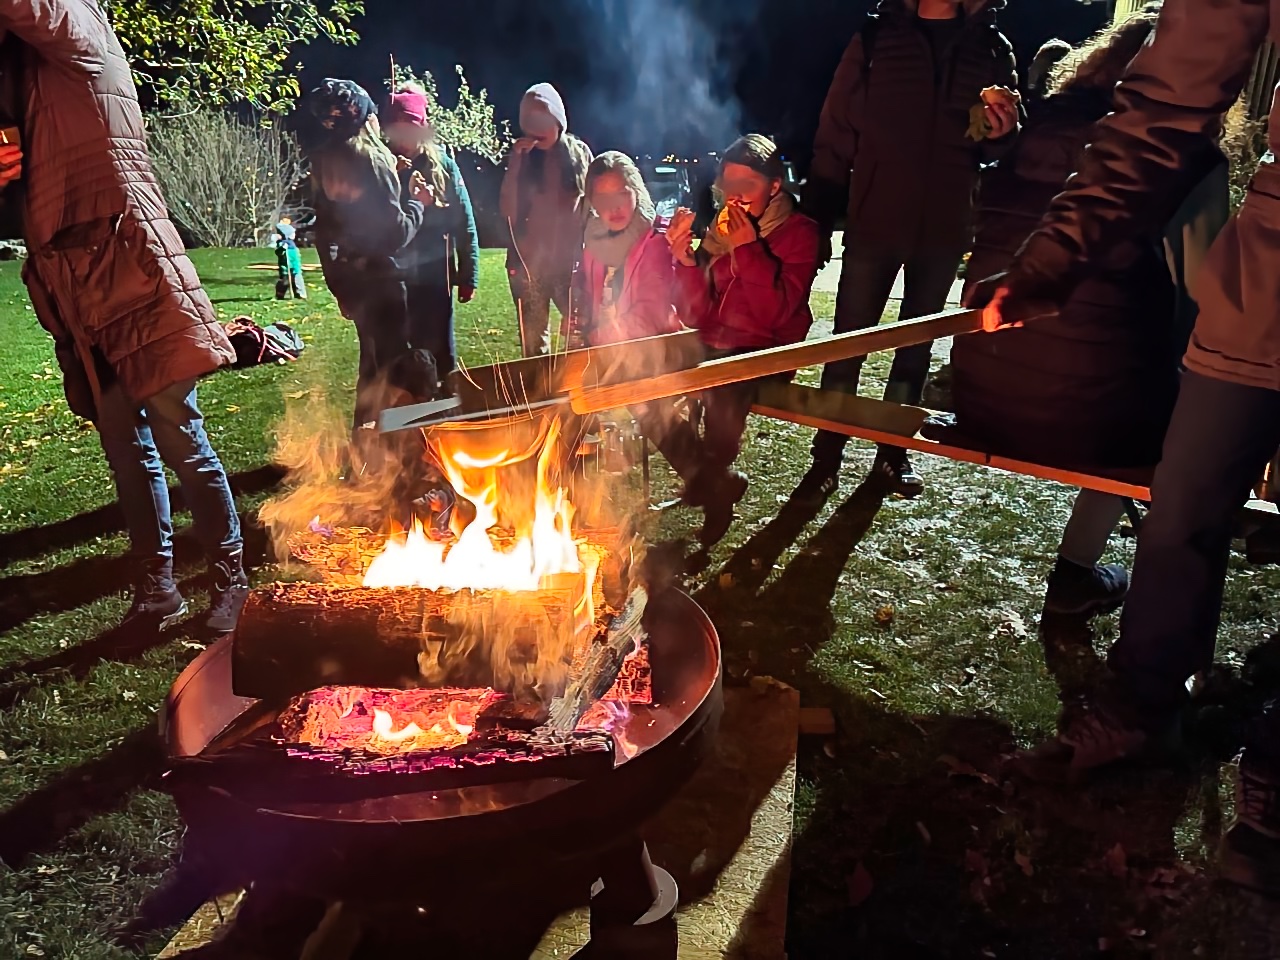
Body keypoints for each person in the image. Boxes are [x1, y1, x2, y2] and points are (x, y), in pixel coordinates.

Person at [972, 0, 1280, 895]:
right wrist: (1053, 259)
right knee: (1184, 497)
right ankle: (1146, 700)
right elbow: (1164, 104)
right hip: (1268, 270)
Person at [0, 0, 248, 633]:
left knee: (180, 439)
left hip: (128, 268)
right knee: (126, 447)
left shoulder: (78, 22)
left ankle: (230, 581)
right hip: (79, 283)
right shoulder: (26, 70)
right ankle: (157, 591)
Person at [946, 12, 1175, 617]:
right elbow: (1200, 281)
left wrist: (1003, 145)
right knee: (1158, 416)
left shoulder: (1041, 123)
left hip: (982, 396)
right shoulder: (1171, 151)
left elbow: (993, 210)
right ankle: (1076, 573)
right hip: (1083, 419)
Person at [798, 0, 1020, 503]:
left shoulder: (989, 47)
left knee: (915, 348)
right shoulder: (877, 40)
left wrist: (1004, 133)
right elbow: (836, 131)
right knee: (846, 344)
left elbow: (995, 145)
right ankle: (826, 457)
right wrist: (817, 213)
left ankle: (892, 453)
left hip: (943, 226)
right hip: (875, 219)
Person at [667, 134, 821, 546]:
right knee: (641, 387)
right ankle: (716, 479)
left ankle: (711, 486)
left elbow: (776, 316)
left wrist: (748, 249)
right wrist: (685, 261)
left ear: (774, 186)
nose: (733, 198)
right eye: (728, 187)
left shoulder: (800, 234)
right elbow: (694, 315)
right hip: (715, 345)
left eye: (746, 187)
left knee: (723, 386)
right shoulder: (718, 234)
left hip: (767, 351)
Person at [304, 79, 431, 439]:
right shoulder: (373, 161)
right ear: (365, 119)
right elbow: (394, 233)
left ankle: (363, 448)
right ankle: (402, 450)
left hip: (354, 282)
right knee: (397, 368)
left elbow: (328, 232)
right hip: (382, 283)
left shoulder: (328, 160)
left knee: (371, 368)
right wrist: (417, 203)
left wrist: (339, 288)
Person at [573, 151, 697, 488]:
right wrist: (583, 326)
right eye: (603, 197)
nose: (614, 207)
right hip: (611, 347)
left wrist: (602, 339)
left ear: (637, 191)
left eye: (622, 195)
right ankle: (560, 490)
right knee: (561, 388)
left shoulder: (654, 240)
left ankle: (707, 480)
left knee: (642, 396)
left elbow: (650, 313)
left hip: (660, 347)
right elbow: (590, 298)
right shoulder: (594, 241)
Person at [383, 82, 480, 392]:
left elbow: (464, 221)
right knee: (398, 354)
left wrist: (469, 273)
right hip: (393, 277)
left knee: (440, 352)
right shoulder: (382, 165)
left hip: (435, 276)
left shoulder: (443, 167)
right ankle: (403, 421)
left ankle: (447, 413)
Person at [500, 82, 592, 357]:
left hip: (569, 267)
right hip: (529, 267)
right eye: (530, 122)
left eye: (543, 119)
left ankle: (580, 394)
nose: (537, 129)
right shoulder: (523, 159)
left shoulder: (579, 155)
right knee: (534, 346)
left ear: (558, 119)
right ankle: (541, 395)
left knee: (579, 336)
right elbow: (507, 211)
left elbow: (593, 207)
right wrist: (515, 164)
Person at [273, 217, 307, 300]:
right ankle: (280, 294)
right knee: (285, 276)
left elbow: (295, 255)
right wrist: (282, 249)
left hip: (293, 259)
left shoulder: (291, 245)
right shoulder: (281, 243)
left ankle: (300, 293)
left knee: (296, 274)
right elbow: (278, 252)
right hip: (285, 261)